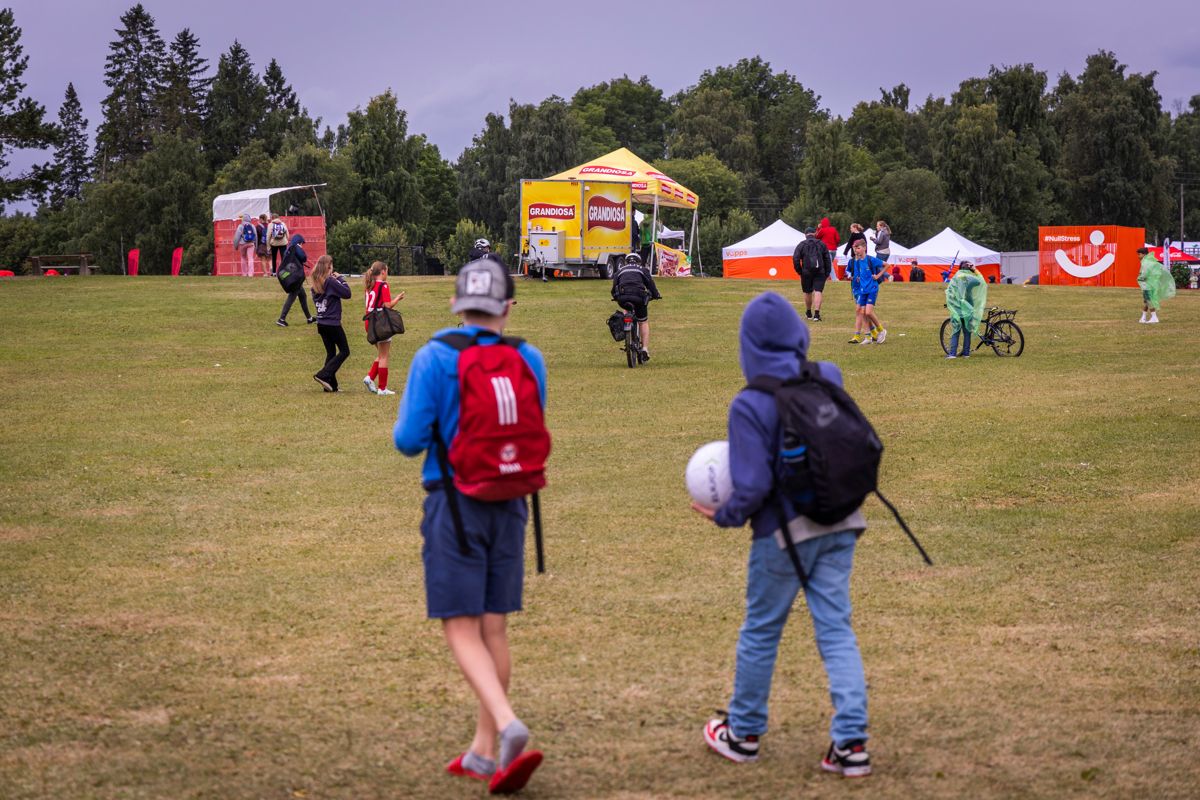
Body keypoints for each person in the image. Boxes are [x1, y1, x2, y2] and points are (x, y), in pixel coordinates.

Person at [693, 291, 871, 777]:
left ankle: (743, 733)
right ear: (799, 336)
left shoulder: (750, 403)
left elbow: (751, 486)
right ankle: (851, 742)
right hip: (842, 521)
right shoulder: (827, 375)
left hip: (782, 535)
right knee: (836, 629)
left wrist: (725, 516)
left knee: (761, 630)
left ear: (747, 346)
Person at [393, 257, 547, 794]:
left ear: (458, 304)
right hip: (512, 501)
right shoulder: (530, 357)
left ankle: (506, 725)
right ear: (507, 306)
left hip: (454, 504)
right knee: (493, 627)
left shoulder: (435, 356)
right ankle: (485, 754)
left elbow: (408, 440)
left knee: (460, 626)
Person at [361, 261, 405, 396]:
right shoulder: (383, 285)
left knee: (381, 354)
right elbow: (387, 305)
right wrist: (398, 299)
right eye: (387, 271)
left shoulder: (369, 285)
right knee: (384, 355)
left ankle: (369, 378)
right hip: (380, 323)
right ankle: (382, 388)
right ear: (383, 272)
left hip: (369, 322)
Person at [610, 251, 662, 363]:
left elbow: (614, 288)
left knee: (626, 309)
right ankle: (644, 349)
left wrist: (615, 296)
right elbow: (651, 285)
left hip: (623, 298)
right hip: (638, 297)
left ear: (626, 262)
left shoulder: (620, 271)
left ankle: (626, 325)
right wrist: (656, 295)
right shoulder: (642, 270)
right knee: (643, 321)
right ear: (639, 261)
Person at [310, 255, 351, 391]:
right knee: (345, 351)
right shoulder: (330, 282)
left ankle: (331, 385)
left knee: (331, 353)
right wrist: (340, 278)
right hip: (332, 323)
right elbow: (347, 293)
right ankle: (323, 375)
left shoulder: (315, 283)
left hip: (321, 323)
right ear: (329, 267)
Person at [845, 240, 887, 345]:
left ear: (864, 248)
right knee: (861, 311)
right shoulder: (857, 261)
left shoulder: (871, 259)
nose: (856, 250)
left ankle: (881, 330)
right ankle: (868, 336)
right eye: (855, 248)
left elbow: (887, 265)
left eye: (858, 248)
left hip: (872, 288)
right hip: (862, 290)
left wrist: (878, 276)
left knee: (868, 312)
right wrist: (857, 277)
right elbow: (859, 273)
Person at [944, 260, 986, 359]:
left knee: (956, 330)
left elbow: (950, 292)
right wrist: (974, 270)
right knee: (967, 331)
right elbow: (980, 281)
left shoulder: (956, 277)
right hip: (968, 308)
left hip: (958, 308)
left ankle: (952, 354)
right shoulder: (971, 279)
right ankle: (966, 353)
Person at [793, 227, 832, 322]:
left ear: (805, 234)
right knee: (818, 291)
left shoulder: (801, 245)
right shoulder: (821, 244)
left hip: (806, 272)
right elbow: (827, 259)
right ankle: (817, 314)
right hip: (820, 271)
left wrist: (799, 271)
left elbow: (796, 259)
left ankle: (809, 312)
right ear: (815, 233)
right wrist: (827, 272)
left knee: (807, 292)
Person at [276, 234, 315, 327]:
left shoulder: (288, 249)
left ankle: (309, 318)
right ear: (299, 242)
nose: (302, 245)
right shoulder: (296, 247)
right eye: (302, 243)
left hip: (291, 277)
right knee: (292, 297)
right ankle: (281, 319)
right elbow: (303, 257)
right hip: (295, 278)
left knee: (303, 296)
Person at [1137, 247, 1175, 324]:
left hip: (1147, 285)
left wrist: (1140, 278)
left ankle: (1154, 317)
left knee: (1149, 301)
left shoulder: (1146, 263)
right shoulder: (1151, 261)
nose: (1138, 256)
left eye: (1139, 254)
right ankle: (1143, 317)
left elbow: (1144, 274)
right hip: (1151, 284)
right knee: (1147, 301)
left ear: (1144, 254)